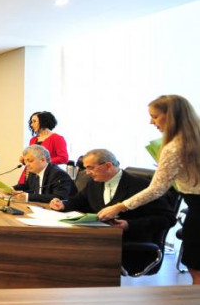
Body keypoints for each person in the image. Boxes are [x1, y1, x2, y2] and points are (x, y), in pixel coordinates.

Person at [97, 95, 200, 284]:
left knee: (197, 269)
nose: (151, 122)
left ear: (171, 116)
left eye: (155, 116)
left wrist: (120, 206)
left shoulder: (174, 148)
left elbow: (156, 189)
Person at [51, 148, 176, 270]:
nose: (87, 173)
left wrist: (129, 225)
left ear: (108, 166)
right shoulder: (94, 183)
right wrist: (63, 205)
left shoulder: (141, 186)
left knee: (69, 253)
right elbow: (79, 201)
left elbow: (167, 219)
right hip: (98, 239)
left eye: (91, 168)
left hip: (128, 245)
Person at [12, 145, 76, 203]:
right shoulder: (33, 171)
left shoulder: (58, 174)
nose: (27, 164)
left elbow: (59, 197)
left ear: (43, 159)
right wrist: (12, 189)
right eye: (25, 161)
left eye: (30, 161)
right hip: (40, 207)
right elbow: (27, 186)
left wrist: (28, 197)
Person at [19, 111, 69, 184]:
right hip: (30, 175)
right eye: (31, 122)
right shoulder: (33, 139)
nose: (32, 125)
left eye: (34, 121)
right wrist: (25, 160)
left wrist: (43, 162)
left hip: (47, 175)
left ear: (43, 121)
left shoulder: (57, 138)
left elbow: (64, 158)